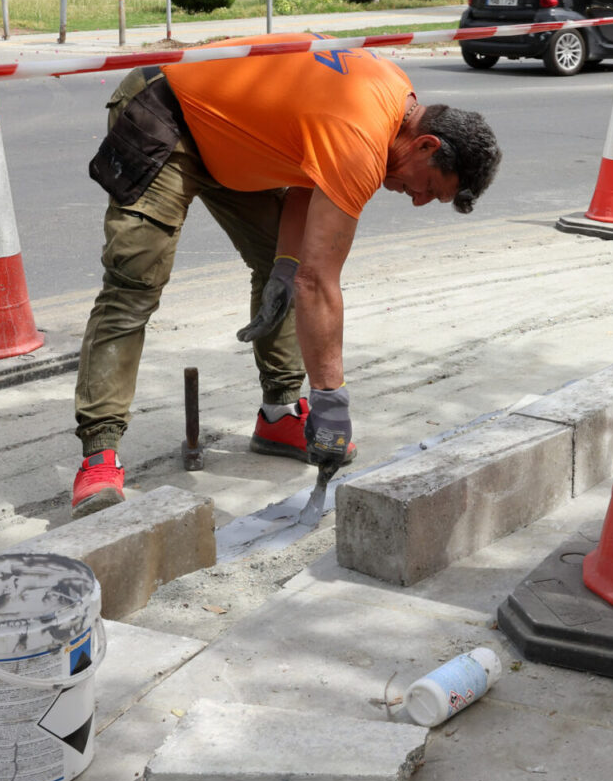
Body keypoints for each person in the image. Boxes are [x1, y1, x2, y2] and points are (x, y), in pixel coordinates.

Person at [68, 36, 502, 519]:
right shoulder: (363, 137)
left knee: (289, 266)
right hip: (167, 112)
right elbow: (320, 283)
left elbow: (307, 180)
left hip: (233, 143)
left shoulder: (395, 95)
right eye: (430, 190)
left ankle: (278, 414)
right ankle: (99, 453)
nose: (417, 200)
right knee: (135, 284)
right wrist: (332, 405)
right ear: (426, 144)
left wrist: (284, 265)